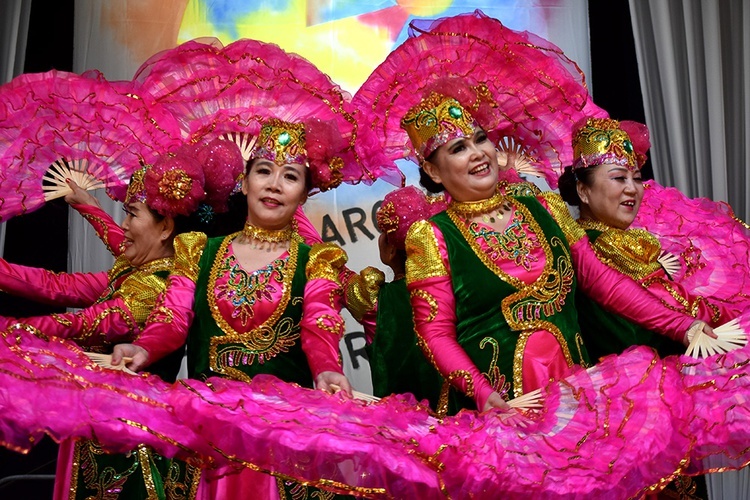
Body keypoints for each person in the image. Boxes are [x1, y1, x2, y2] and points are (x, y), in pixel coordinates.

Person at [353, 13, 715, 417]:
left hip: (576, 395)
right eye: (458, 149)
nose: (477, 153)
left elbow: (604, 282)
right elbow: (434, 333)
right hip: (503, 411)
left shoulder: (544, 207)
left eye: (480, 139)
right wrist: (485, 395)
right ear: (434, 172)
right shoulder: (432, 236)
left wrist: (683, 325)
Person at [0, 145, 211, 499]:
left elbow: (81, 325)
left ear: (165, 228)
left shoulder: (152, 288)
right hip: (99, 430)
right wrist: (87, 205)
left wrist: (9, 333)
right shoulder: (139, 267)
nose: (125, 225)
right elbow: (56, 285)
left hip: (130, 449)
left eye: (133, 214)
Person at [557, 117, 736, 362]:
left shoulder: (625, 239)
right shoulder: (593, 246)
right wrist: (729, 316)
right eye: (619, 178)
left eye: (637, 178)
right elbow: (645, 320)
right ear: (583, 191)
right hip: (640, 374)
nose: (632, 188)